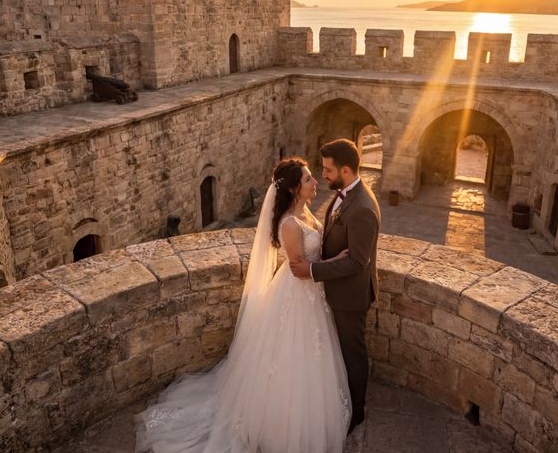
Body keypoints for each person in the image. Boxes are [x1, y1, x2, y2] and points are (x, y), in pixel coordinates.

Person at [136, 157, 351, 453]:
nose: (315, 183)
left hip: (313, 299)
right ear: (293, 189)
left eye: (313, 178)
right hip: (297, 296)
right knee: (289, 359)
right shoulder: (289, 225)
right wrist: (338, 262)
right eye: (308, 180)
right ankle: (282, 425)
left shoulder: (306, 213)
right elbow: (300, 270)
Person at [289, 139, 382, 434]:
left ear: (345, 169)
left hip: (350, 296)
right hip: (336, 291)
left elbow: (357, 262)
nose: (323, 175)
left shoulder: (362, 208)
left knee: (352, 353)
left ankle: (356, 413)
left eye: (328, 170)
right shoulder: (344, 195)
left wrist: (313, 270)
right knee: (340, 352)